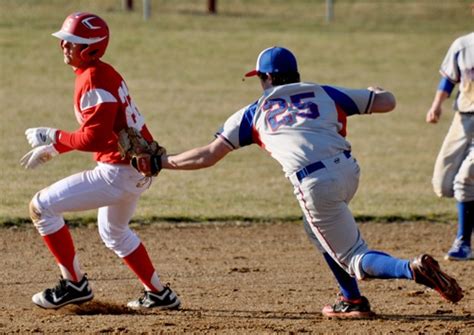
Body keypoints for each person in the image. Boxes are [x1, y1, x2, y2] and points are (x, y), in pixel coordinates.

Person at [159, 46, 464, 318]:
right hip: (348, 171)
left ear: (265, 79)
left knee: (354, 258)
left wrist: (161, 161)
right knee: (315, 229)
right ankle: (351, 300)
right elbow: (387, 102)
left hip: (315, 185)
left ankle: (411, 269)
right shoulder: (323, 92)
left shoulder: (254, 112)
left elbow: (208, 155)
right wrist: (376, 90)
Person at [20, 12, 180, 310]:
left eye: (73, 42)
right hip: (131, 169)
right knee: (114, 231)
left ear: (91, 48)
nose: (65, 47)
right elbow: (101, 131)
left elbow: (93, 138)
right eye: (65, 41)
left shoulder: (93, 79)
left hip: (117, 174)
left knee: (41, 207)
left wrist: (52, 136)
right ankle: (159, 294)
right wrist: (56, 148)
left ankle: (74, 284)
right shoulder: (101, 72)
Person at [426, 32, 474, 261]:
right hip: (463, 118)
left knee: (465, 178)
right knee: (444, 183)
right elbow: (449, 79)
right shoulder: (463, 45)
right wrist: (436, 106)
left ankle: (463, 242)